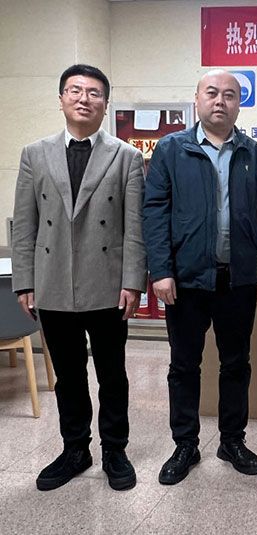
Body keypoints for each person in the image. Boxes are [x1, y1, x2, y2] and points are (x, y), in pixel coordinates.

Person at [143, 69, 257, 485]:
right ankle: (185, 444)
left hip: (237, 280)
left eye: (229, 95)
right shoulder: (171, 149)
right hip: (185, 282)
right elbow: (155, 213)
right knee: (184, 365)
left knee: (236, 364)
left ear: (239, 103)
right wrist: (160, 270)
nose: (220, 100)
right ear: (197, 99)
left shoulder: (255, 154)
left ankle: (232, 441)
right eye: (212, 93)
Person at [12, 64, 146, 491]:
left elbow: (134, 228)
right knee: (68, 376)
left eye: (93, 93)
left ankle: (114, 449)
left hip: (107, 285)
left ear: (105, 104)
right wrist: (25, 281)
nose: (84, 98)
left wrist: (133, 282)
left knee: (112, 374)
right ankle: (75, 449)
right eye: (75, 90)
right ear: (61, 99)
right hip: (52, 284)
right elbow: (25, 225)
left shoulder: (126, 157)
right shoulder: (35, 154)